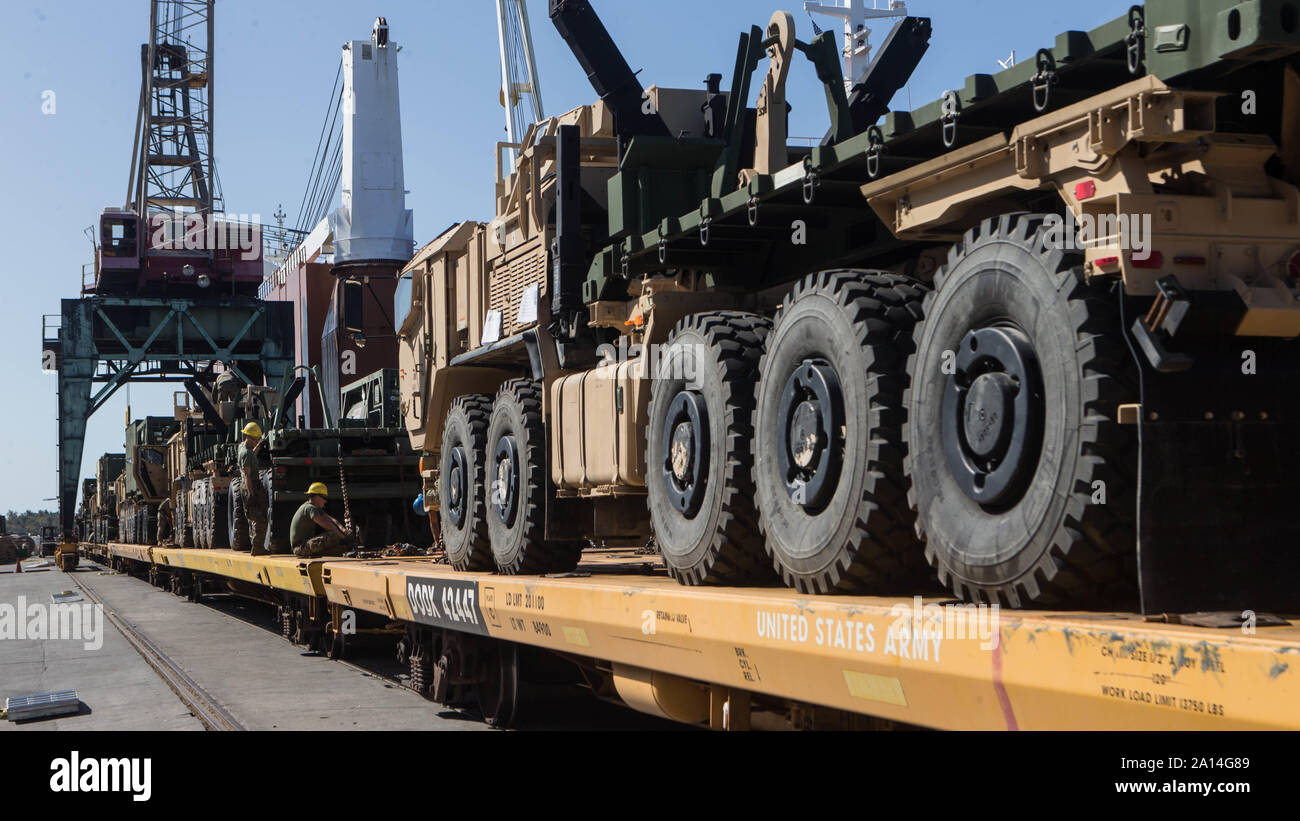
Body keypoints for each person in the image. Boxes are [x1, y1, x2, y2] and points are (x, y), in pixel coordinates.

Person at [290, 483, 354, 557]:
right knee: (333, 535)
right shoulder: (310, 508)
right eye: (324, 498)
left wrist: (344, 531)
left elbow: (332, 520)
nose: (325, 501)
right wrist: (344, 538)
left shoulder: (315, 508)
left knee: (340, 547)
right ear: (317, 497)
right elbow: (327, 525)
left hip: (304, 545)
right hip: (300, 548)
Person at [235, 422, 269, 555]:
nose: (256, 442)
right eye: (255, 440)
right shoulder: (246, 454)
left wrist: (259, 446)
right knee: (259, 518)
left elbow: (251, 454)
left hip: (249, 484)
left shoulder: (242, 447)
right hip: (251, 485)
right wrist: (251, 494)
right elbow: (247, 475)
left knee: (253, 518)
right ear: (249, 437)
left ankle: (255, 546)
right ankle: (258, 548)